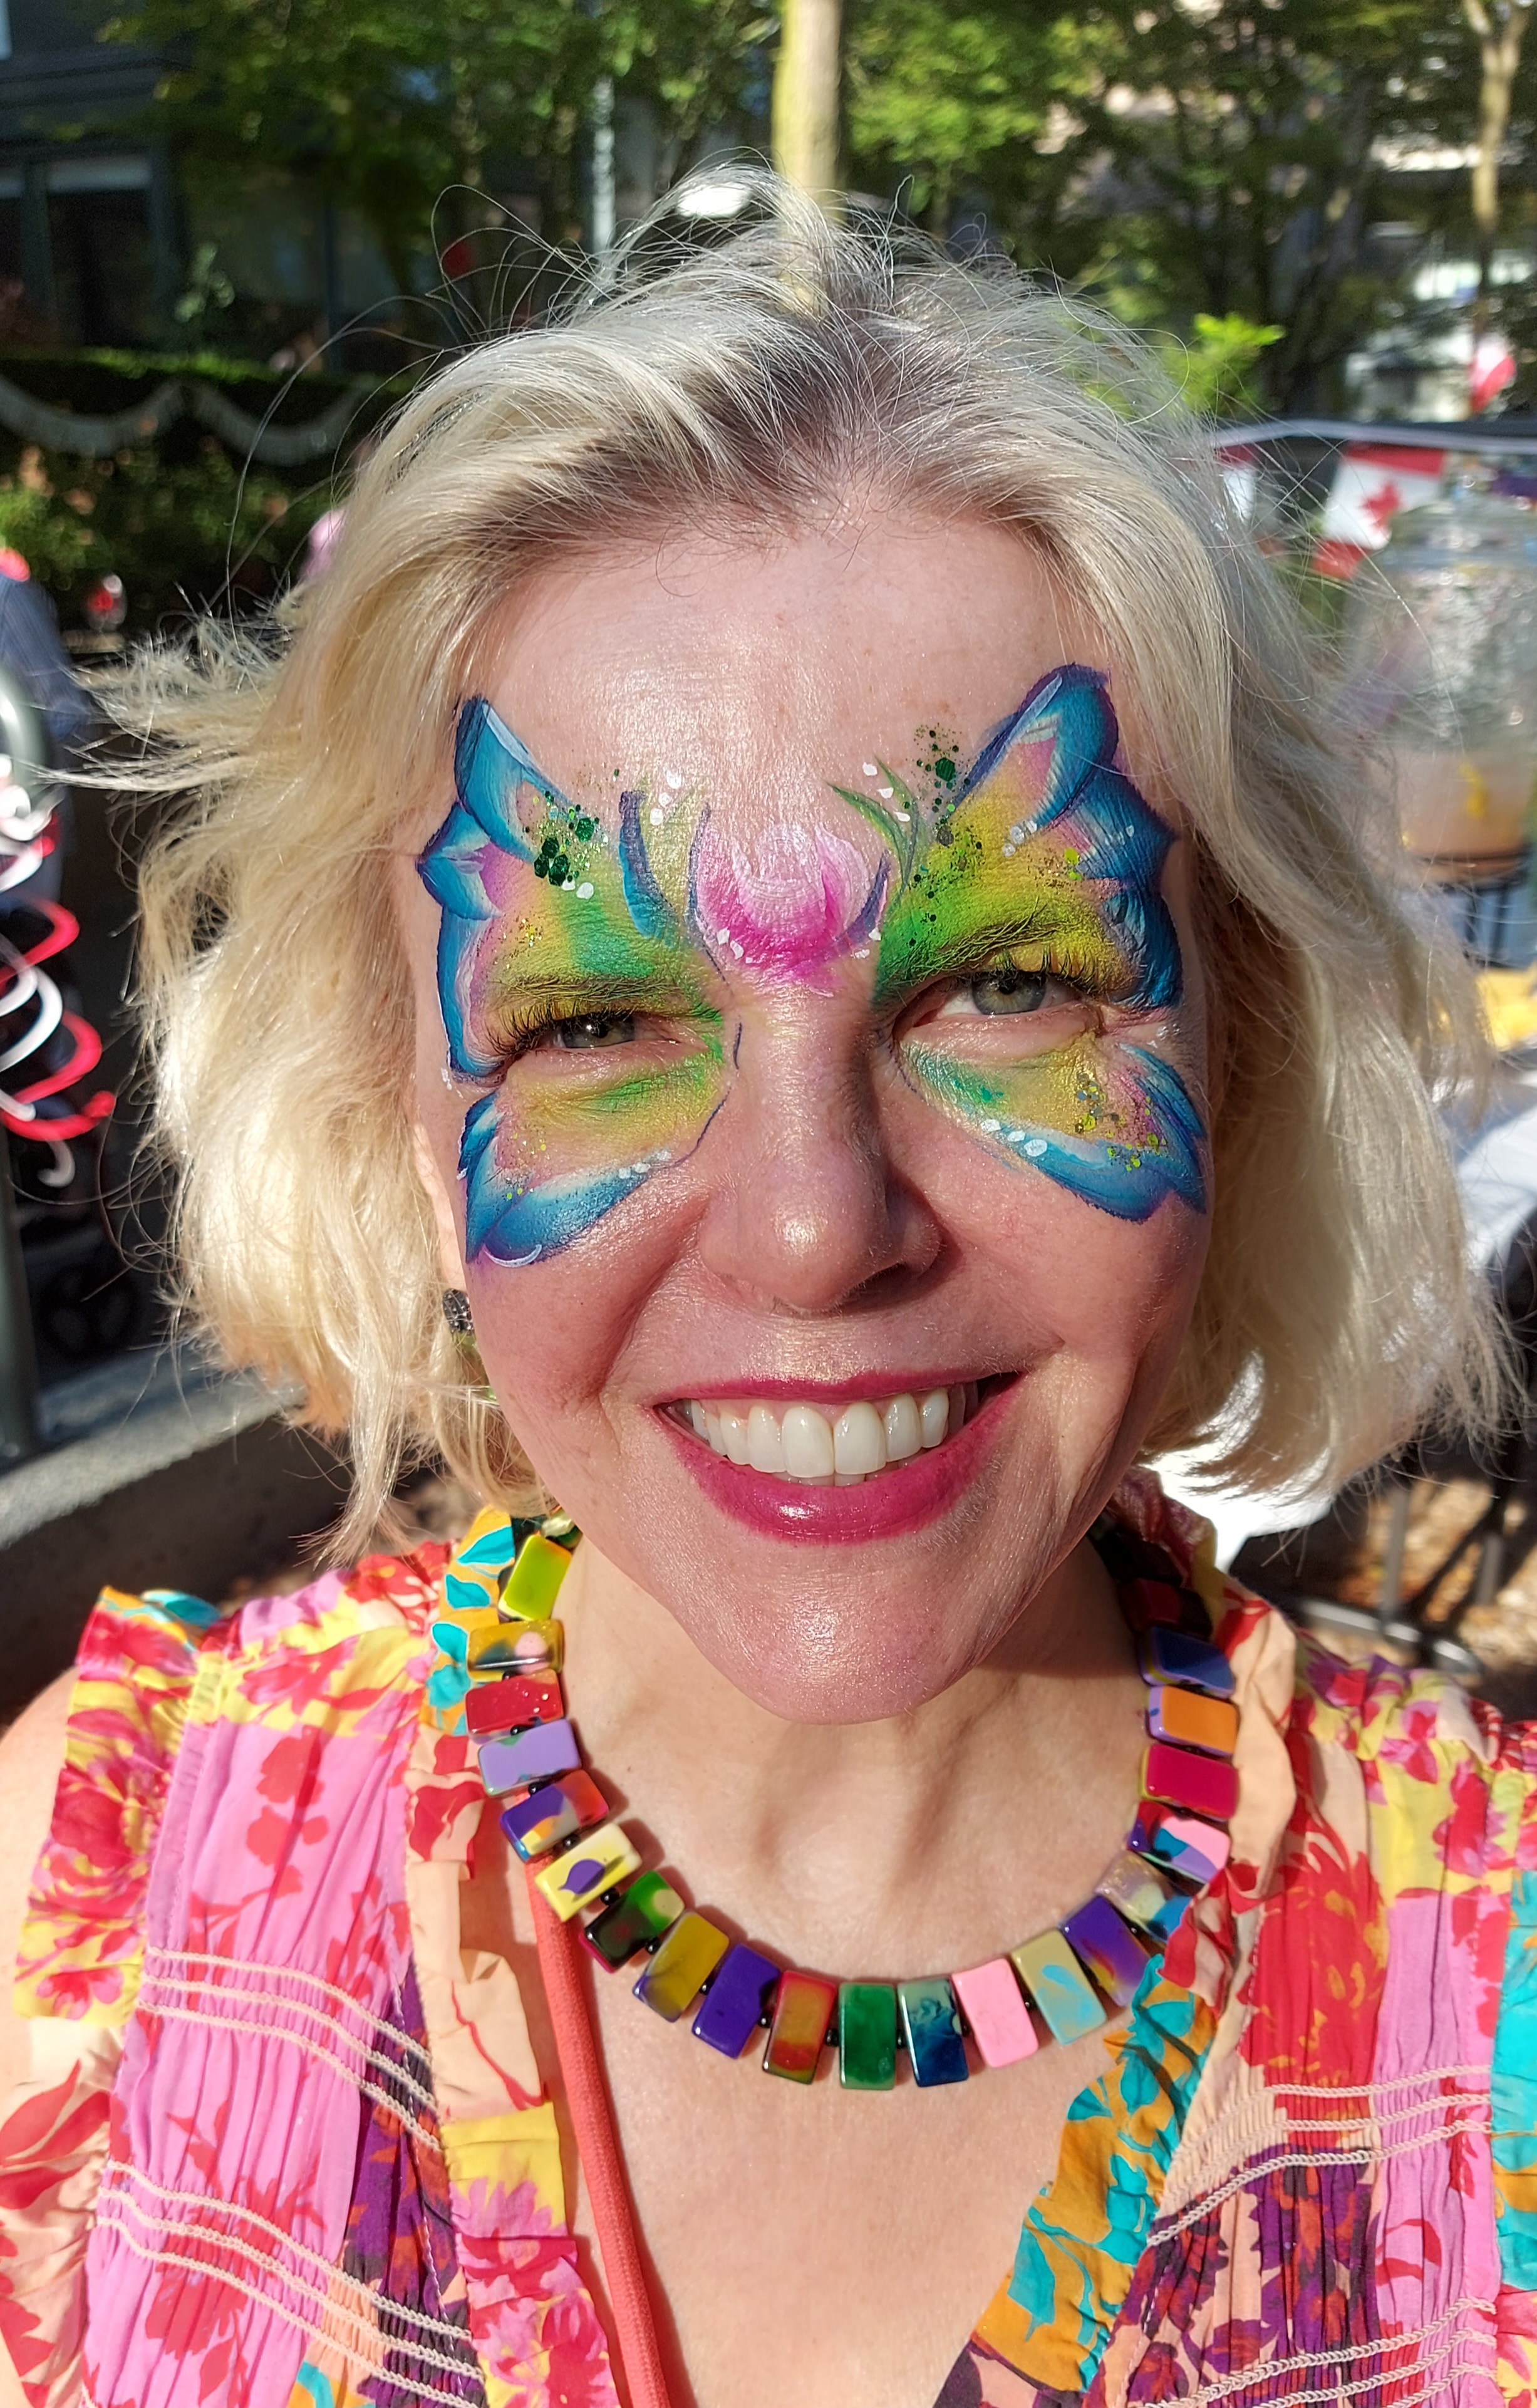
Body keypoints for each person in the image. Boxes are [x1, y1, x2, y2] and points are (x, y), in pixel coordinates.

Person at [0, 185, 1528, 2408]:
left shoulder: (1495, 1985)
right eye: (597, 1023)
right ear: (406, 1125)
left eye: (1009, 983)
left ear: (1252, 1046)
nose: (817, 1229)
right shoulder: (90, 1908)